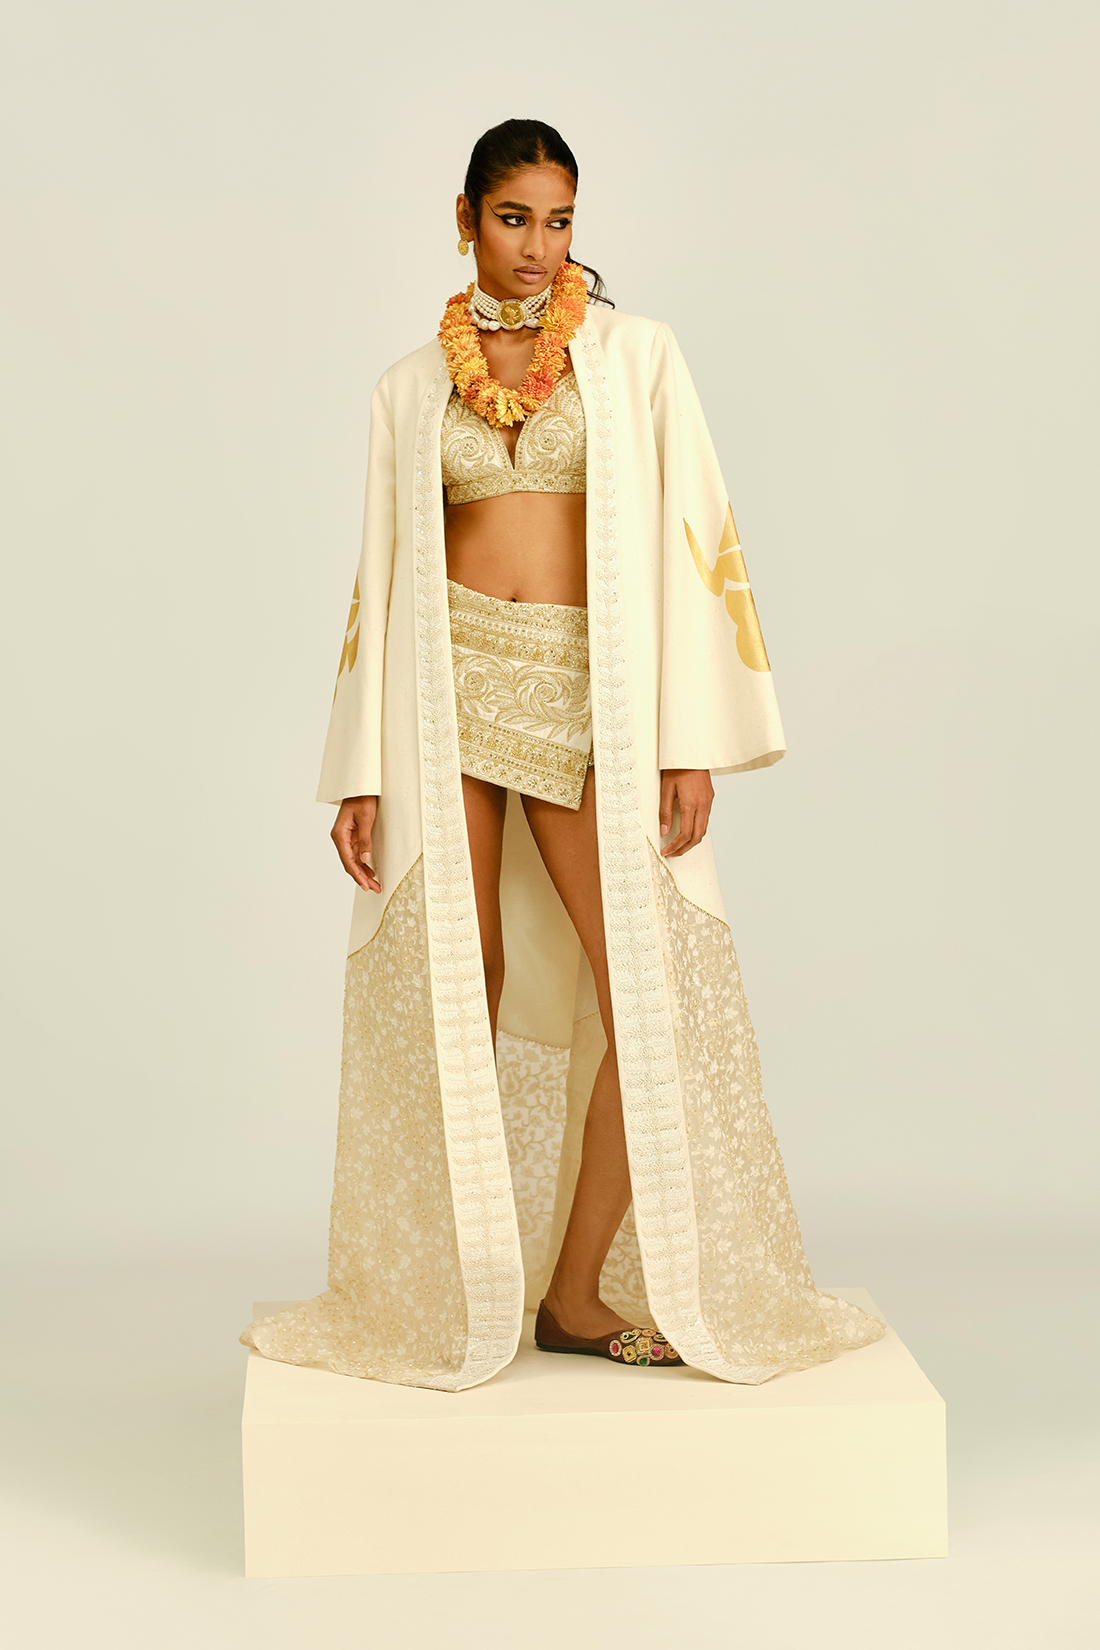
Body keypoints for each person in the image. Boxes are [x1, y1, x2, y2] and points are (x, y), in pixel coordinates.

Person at [241, 119, 885, 1391]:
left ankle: (574, 1290)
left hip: (587, 696)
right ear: (464, 218)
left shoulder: (633, 357)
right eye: (512, 218)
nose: (537, 247)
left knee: (643, 990)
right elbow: (377, 577)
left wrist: (687, 741)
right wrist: (361, 769)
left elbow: (696, 534)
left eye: (559, 220)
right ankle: (460, 1290)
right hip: (447, 696)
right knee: (459, 978)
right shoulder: (409, 387)